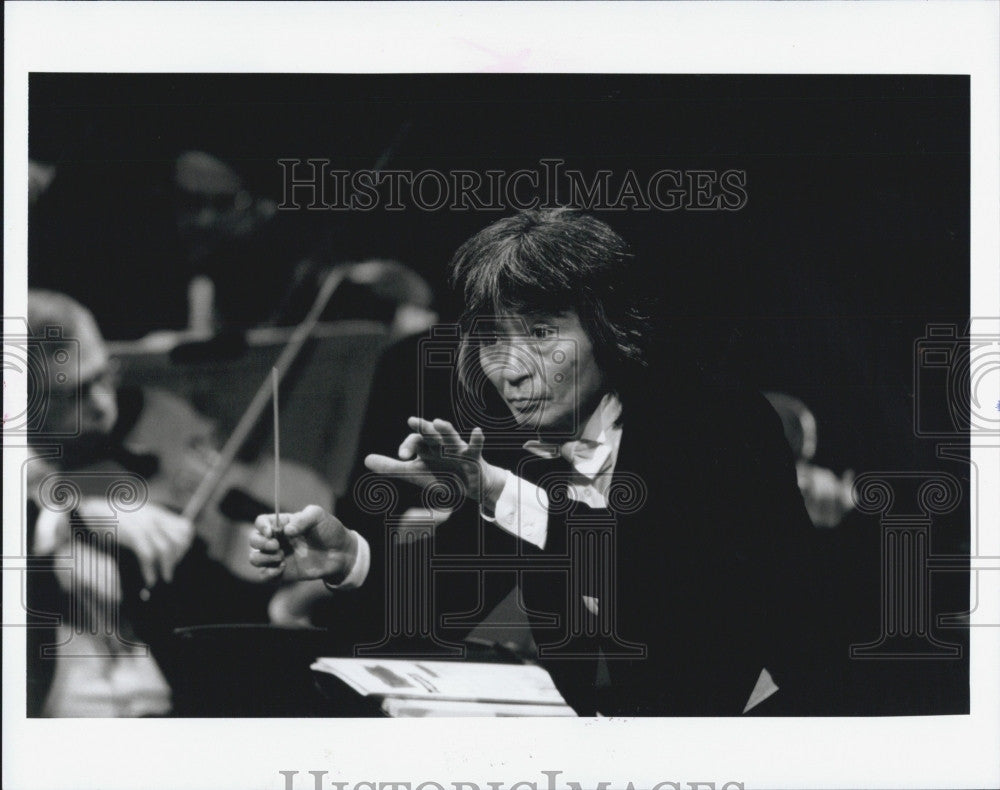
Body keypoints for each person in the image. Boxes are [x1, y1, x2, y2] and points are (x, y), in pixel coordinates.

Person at [250, 209, 820, 715]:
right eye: (493, 341)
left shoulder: (717, 423)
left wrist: (498, 491)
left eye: (543, 332)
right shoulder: (515, 455)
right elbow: (440, 602)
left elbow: (667, 594)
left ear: (608, 326)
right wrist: (349, 556)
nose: (513, 369)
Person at [24, 290, 273, 716]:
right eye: (74, 395)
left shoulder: (126, 486)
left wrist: (292, 599)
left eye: (104, 377)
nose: (104, 407)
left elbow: (219, 609)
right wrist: (80, 513)